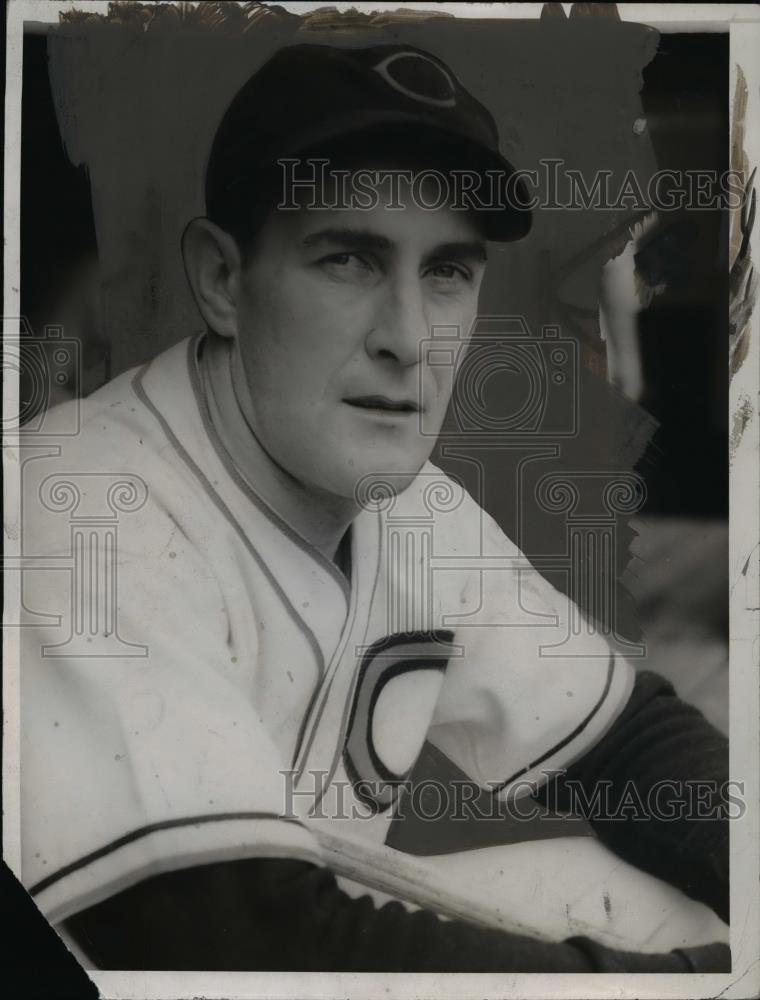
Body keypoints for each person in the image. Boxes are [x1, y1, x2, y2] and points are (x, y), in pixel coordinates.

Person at [20, 42, 729, 972]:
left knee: (663, 900)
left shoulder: (406, 507)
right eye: (349, 258)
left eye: (447, 273)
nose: (407, 338)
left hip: (268, 933)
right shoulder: (74, 507)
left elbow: (628, 739)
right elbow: (233, 935)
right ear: (222, 279)